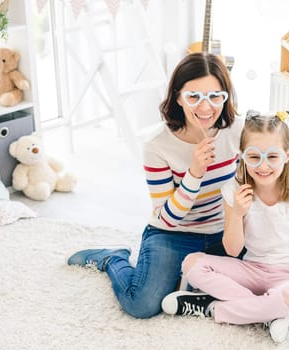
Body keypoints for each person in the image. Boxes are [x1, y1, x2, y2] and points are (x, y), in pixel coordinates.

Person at [66, 52, 244, 319]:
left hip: (223, 232)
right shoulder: (157, 146)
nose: (206, 107)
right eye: (194, 96)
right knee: (143, 304)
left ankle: (191, 278)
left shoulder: (238, 131)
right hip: (173, 233)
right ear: (177, 97)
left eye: (215, 96)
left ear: (226, 96)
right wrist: (194, 173)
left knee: (252, 287)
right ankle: (113, 259)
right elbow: (168, 218)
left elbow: (270, 168)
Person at [161, 110, 289, 343]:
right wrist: (237, 213)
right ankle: (268, 312)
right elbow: (233, 251)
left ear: (287, 155)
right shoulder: (232, 192)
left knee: (287, 298)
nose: (263, 166)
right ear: (242, 156)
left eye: (272, 157)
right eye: (254, 157)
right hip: (253, 269)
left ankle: (213, 308)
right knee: (192, 264)